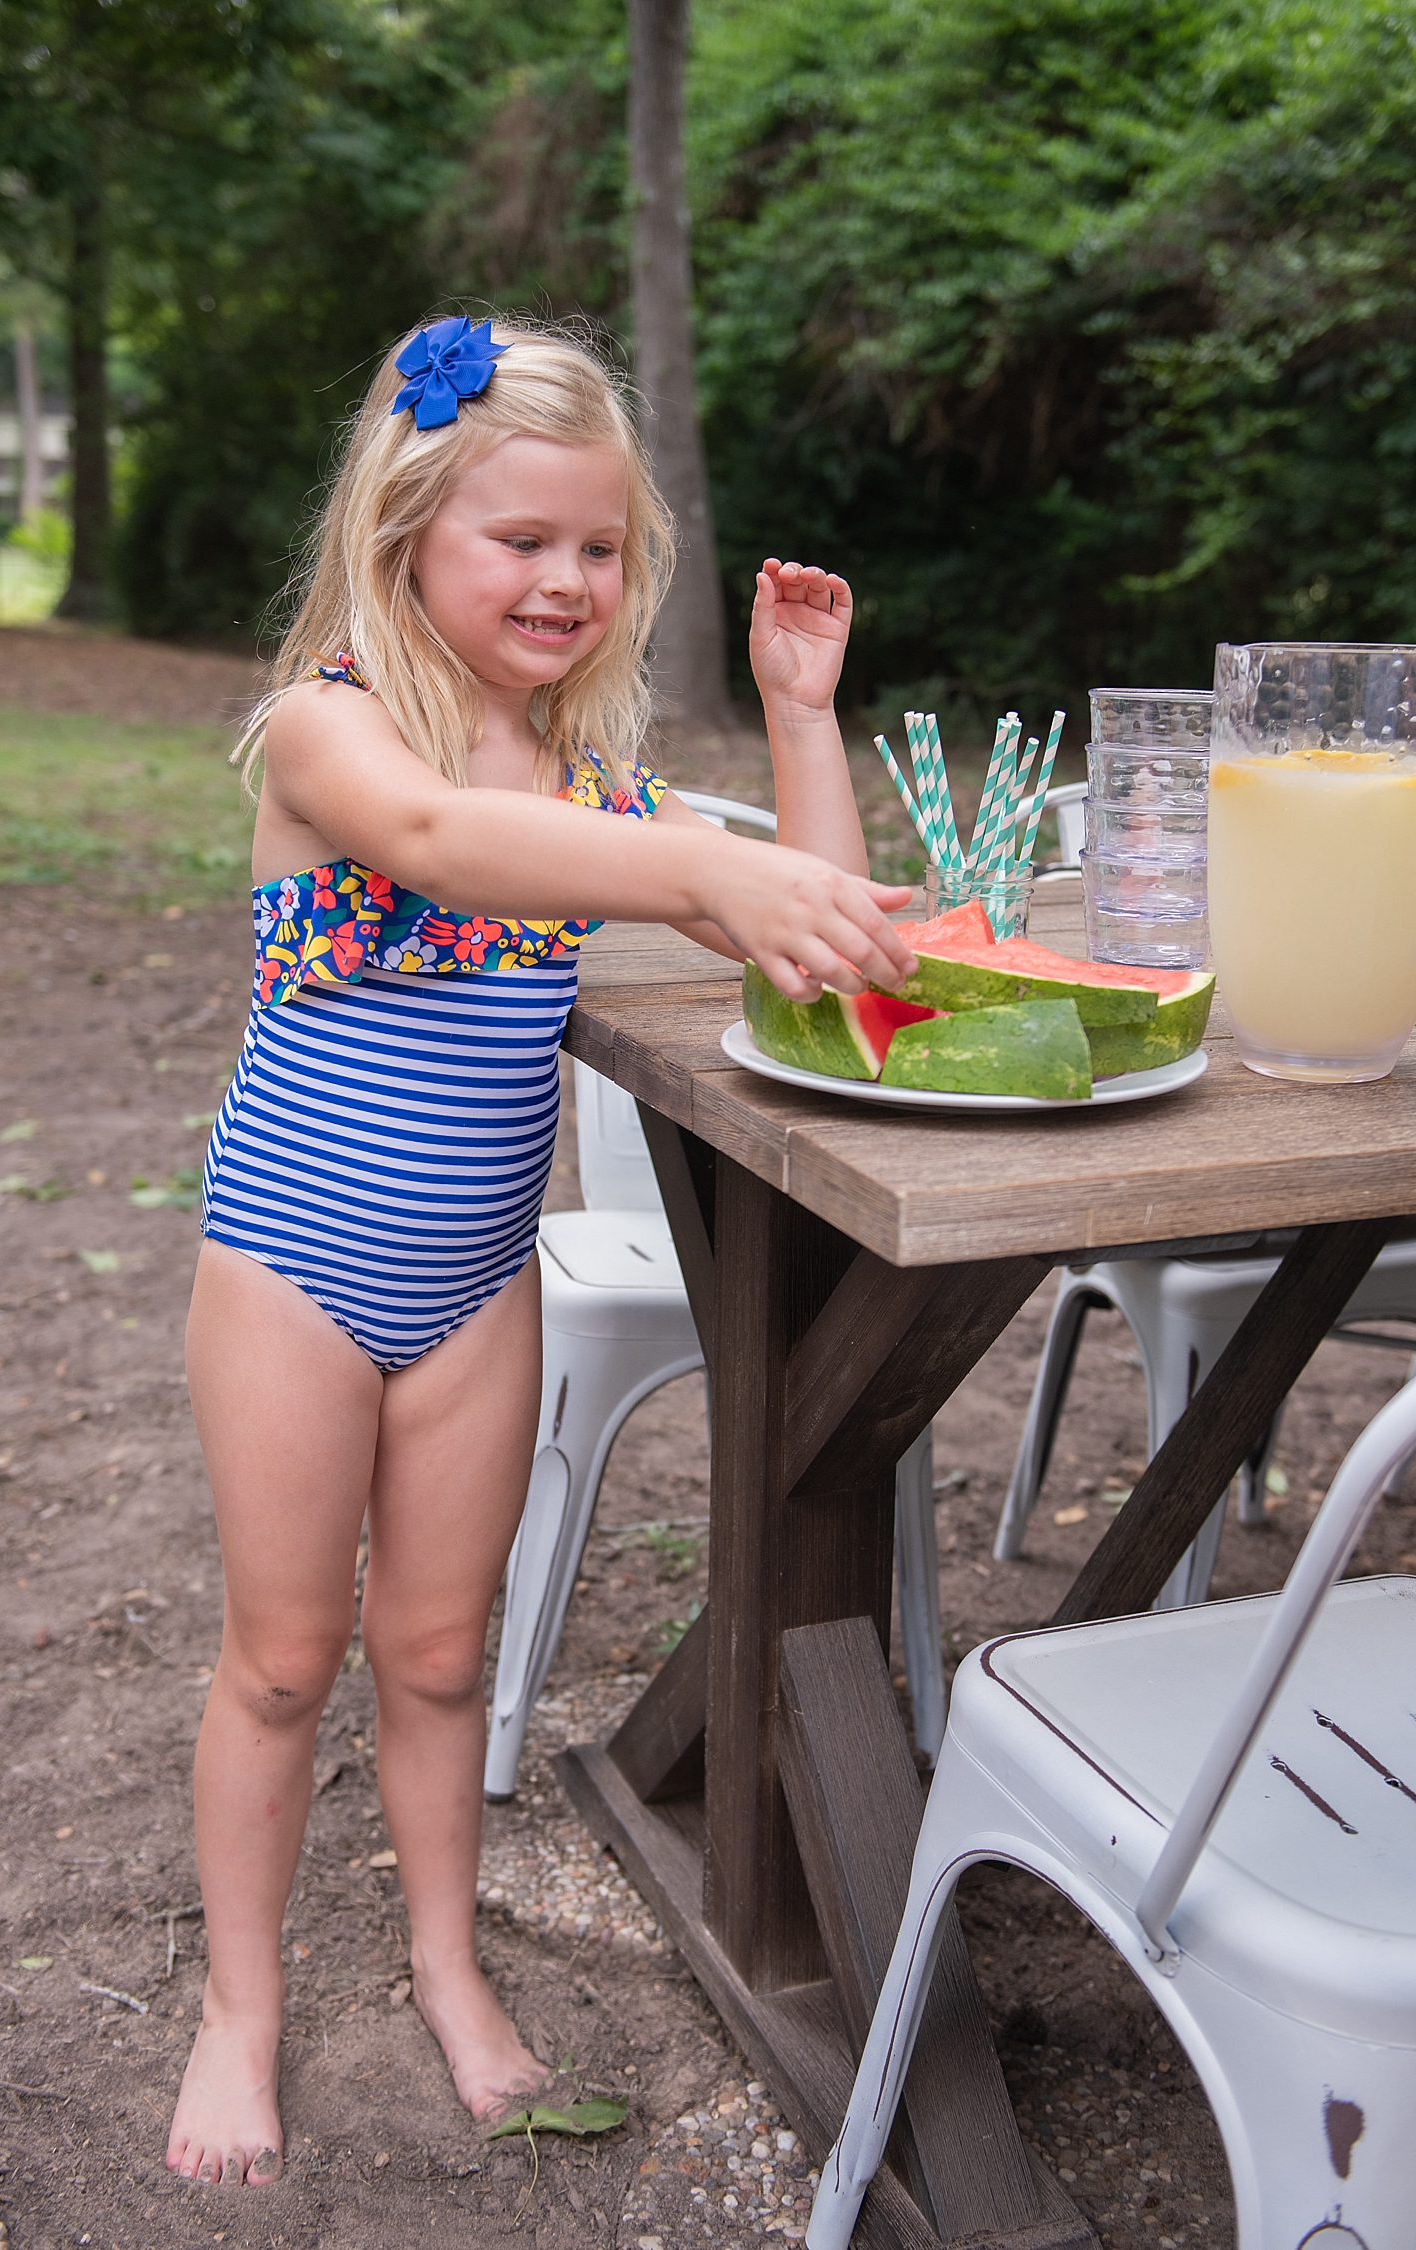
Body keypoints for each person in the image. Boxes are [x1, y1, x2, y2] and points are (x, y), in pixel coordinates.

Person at [166, 312, 916, 2189]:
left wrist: (802, 722)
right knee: (280, 1658)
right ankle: (238, 2010)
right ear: (409, 526)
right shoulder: (331, 727)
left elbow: (791, 935)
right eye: (523, 540)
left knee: (434, 1649)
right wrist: (699, 864)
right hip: (295, 1273)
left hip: (476, 1286)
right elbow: (442, 841)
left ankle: (443, 1959)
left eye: (600, 546)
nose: (568, 581)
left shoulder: (589, 783)